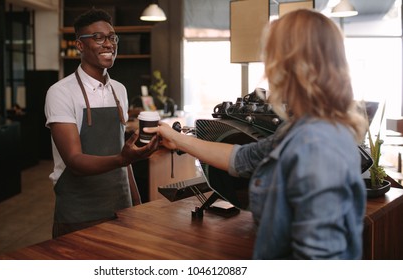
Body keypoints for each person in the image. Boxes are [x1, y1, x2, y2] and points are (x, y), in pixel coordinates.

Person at [145, 9, 367, 259]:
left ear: (292, 65)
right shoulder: (304, 129)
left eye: (272, 56)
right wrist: (176, 139)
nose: (268, 69)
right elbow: (243, 158)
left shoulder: (316, 144)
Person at [44, 8, 158, 238]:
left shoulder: (120, 90)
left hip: (121, 208)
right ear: (79, 45)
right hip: (79, 213)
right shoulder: (60, 92)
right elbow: (74, 161)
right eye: (98, 37)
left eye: (112, 37)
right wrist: (122, 158)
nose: (109, 44)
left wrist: (137, 204)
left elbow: (123, 157)